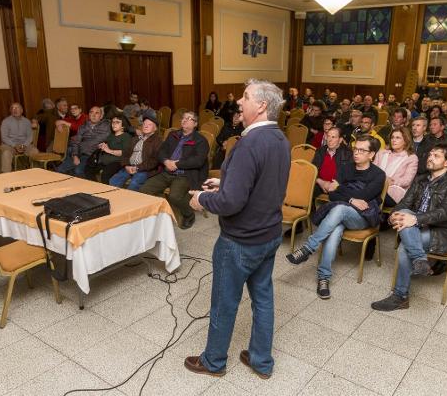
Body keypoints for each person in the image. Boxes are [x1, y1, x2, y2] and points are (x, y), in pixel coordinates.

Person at [184, 79, 290, 379]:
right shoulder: (279, 139)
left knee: (224, 303)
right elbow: (264, 181)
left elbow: (231, 202)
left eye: (245, 97)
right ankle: (261, 360)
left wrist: (202, 198)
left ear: (262, 105)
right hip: (269, 236)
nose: (239, 102)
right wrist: (225, 181)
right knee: (263, 300)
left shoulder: (250, 144)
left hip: (240, 242)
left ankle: (213, 362)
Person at [285, 135, 385, 299]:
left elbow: (364, 196)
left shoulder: (378, 175)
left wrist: (342, 192)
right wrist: (352, 198)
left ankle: (308, 248)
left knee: (339, 209)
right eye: (355, 149)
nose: (356, 153)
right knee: (335, 228)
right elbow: (332, 193)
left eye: (362, 150)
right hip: (342, 212)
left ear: (372, 154)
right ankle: (323, 277)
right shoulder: (346, 168)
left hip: (362, 218)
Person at [371, 144, 447, 311]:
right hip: (415, 226)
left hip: (442, 231)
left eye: (436, 156)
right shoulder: (421, 179)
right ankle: (420, 259)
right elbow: (405, 203)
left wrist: (415, 219)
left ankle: (400, 296)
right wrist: (394, 214)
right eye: (430, 154)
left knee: (403, 247)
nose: (430, 157)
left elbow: (446, 212)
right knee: (405, 211)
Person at [140, 111, 208, 229]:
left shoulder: (200, 140)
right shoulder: (173, 135)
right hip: (166, 172)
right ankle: (156, 216)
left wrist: (178, 164)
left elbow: (198, 161)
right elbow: (161, 151)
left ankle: (189, 215)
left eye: (189, 118)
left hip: (185, 174)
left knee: (175, 196)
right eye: (183, 118)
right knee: (144, 189)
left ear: (195, 123)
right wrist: (166, 161)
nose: (184, 120)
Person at [109, 113, 162, 190]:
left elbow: (154, 161)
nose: (146, 126)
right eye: (144, 124)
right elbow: (125, 154)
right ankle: (117, 200)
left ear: (155, 128)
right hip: (129, 167)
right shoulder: (135, 139)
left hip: (144, 170)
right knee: (113, 181)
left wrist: (137, 168)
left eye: (149, 124)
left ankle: (129, 201)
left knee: (134, 184)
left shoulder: (157, 141)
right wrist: (126, 165)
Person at [56, 106, 110, 177]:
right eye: (91, 112)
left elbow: (100, 140)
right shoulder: (83, 127)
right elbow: (76, 142)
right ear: (89, 115)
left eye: (97, 113)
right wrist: (75, 155)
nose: (94, 115)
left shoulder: (106, 126)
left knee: (78, 171)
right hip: (79, 153)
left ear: (101, 116)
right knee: (59, 170)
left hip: (92, 155)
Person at [373, 128, 418, 207]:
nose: (393, 140)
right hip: (375, 187)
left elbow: (407, 181)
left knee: (369, 193)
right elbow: (371, 171)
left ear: (405, 140)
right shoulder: (381, 153)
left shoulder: (411, 158)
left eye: (398, 138)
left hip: (393, 193)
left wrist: (390, 181)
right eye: (392, 137)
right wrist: (384, 179)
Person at [84, 116, 131, 183]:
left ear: (123, 125)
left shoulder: (126, 136)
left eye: (117, 122)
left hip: (117, 162)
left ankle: (104, 191)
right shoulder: (111, 136)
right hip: (105, 160)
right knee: (88, 169)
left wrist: (108, 150)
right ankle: (95, 187)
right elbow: (107, 147)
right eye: (113, 122)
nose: (114, 124)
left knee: (105, 174)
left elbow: (124, 152)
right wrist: (102, 146)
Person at [311, 127, 352, 201]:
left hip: (338, 186)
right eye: (328, 136)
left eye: (333, 137)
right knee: (304, 188)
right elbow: (312, 169)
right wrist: (320, 181)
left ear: (340, 140)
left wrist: (334, 184)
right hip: (319, 184)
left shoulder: (348, 154)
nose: (329, 140)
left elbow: (349, 176)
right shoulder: (320, 151)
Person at [0, 103, 39, 173]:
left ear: (22, 110)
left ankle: (35, 173)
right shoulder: (5, 121)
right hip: (9, 145)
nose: (15, 110)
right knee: (6, 154)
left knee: (35, 151)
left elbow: (30, 136)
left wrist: (25, 145)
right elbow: (4, 137)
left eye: (17, 108)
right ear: (10, 111)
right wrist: (14, 145)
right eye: (13, 108)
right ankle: (6, 176)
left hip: (24, 144)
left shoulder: (27, 122)